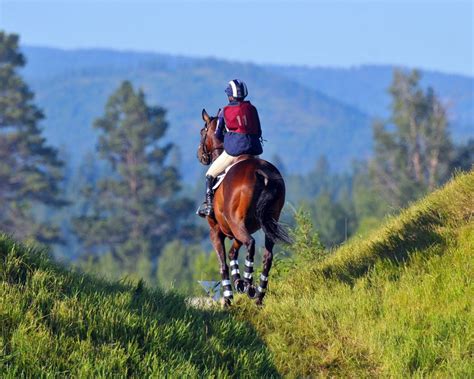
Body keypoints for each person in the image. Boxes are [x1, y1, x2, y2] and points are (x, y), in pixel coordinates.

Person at [197, 79, 263, 217]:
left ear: (229, 96)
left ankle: (209, 207)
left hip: (235, 151)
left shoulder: (224, 111)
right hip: (254, 150)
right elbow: (259, 131)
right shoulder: (252, 109)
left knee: (209, 175)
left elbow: (218, 134)